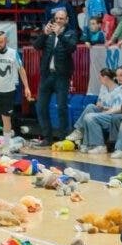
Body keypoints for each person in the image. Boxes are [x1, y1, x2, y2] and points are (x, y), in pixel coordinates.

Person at [31, 10, 77, 145]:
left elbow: (72, 48)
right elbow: (36, 46)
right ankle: (47, 137)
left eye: (61, 18)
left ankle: (63, 138)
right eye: (56, 18)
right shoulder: (49, 33)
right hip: (46, 75)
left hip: (61, 76)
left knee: (61, 107)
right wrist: (44, 34)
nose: (58, 21)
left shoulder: (71, 33)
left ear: (67, 20)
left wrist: (60, 34)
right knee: (40, 107)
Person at [77, 66, 122, 153]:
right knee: (90, 109)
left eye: (121, 75)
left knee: (90, 117)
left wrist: (107, 112)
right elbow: (114, 106)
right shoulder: (119, 89)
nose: (118, 78)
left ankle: (99, 145)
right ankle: (87, 142)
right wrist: (104, 108)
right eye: (117, 76)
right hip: (112, 113)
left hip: (121, 115)